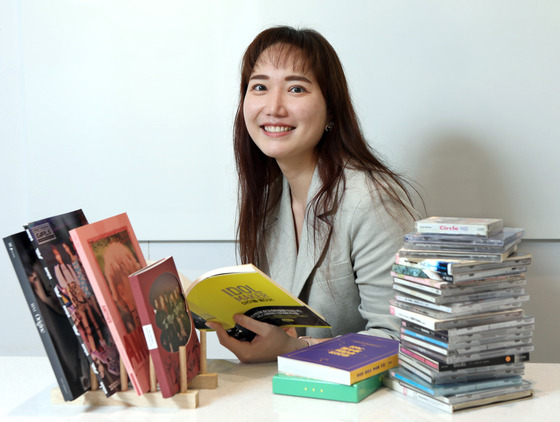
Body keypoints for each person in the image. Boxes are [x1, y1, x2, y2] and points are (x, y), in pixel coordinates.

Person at [206, 26, 422, 363]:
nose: (274, 107)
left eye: (295, 88)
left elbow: (403, 338)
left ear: (331, 111)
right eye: (259, 87)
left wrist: (295, 350)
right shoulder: (267, 204)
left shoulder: (372, 200)